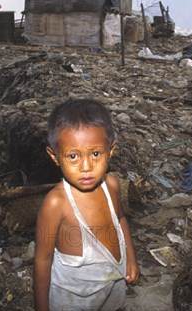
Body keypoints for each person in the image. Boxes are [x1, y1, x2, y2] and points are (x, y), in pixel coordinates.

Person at [34, 99, 140, 311]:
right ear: (55, 156)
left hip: (113, 285)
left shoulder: (111, 185)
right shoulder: (56, 204)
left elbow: (119, 219)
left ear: (111, 150)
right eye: (73, 156)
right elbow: (43, 261)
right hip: (73, 300)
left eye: (95, 154)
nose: (86, 167)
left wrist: (131, 259)